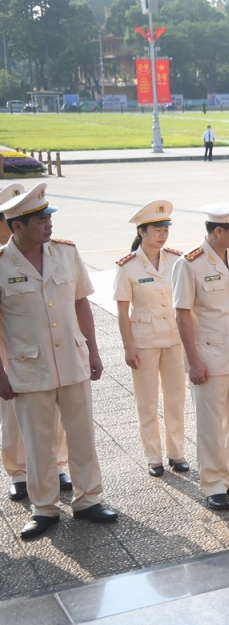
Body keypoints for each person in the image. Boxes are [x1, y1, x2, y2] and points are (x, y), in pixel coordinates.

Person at [0, 183, 117, 540]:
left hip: (72, 359)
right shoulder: (2, 265)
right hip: (28, 368)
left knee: (81, 436)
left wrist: (94, 350)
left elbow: (82, 302)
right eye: (40, 219)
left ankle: (88, 500)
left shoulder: (66, 253)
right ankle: (44, 508)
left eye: (49, 217)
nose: (48, 224)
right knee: (37, 441)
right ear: (17, 227)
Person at [174, 200, 229, 511]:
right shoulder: (190, 263)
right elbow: (182, 315)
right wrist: (192, 360)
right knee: (210, 422)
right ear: (219, 231)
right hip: (209, 355)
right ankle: (214, 484)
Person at [0, 183, 70, 504]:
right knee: (13, 409)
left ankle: (56, 465)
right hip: (7, 336)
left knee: (53, 404)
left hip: (40, 333)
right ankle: (18, 472)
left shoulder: (45, 246)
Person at [113, 200, 188, 477]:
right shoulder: (128, 267)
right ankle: (153, 457)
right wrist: (128, 346)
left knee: (175, 398)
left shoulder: (178, 260)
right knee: (147, 402)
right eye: (157, 228)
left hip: (174, 339)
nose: (163, 233)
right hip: (143, 341)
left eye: (165, 228)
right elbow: (122, 311)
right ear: (142, 231)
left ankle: (177, 453)